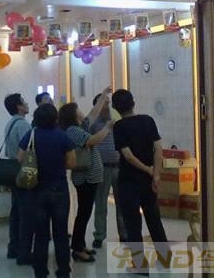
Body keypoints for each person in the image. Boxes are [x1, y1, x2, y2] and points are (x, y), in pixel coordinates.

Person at [111, 89, 170, 276]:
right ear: (133, 103)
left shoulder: (119, 127)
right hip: (148, 181)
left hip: (128, 182)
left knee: (133, 224)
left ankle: (140, 264)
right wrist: (155, 174)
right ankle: (165, 257)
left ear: (115, 108)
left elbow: (128, 156)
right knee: (154, 219)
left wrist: (147, 170)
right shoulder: (147, 120)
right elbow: (158, 148)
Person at [18, 104, 76, 278]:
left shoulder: (31, 135)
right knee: (61, 233)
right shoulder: (62, 136)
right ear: (55, 118)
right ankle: (63, 270)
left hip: (36, 190)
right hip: (59, 189)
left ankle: (40, 271)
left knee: (41, 234)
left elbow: (20, 158)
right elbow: (72, 163)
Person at [58, 86, 112, 263]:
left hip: (89, 177)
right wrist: (108, 128)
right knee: (83, 213)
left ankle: (80, 244)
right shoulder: (72, 131)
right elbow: (92, 140)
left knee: (85, 212)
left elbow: (93, 114)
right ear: (73, 115)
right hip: (85, 178)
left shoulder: (80, 126)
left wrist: (103, 95)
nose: (82, 111)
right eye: (78, 109)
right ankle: (77, 248)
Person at [90, 93, 127, 249]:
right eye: (104, 103)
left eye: (108, 102)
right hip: (102, 168)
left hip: (118, 166)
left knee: (122, 203)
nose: (108, 106)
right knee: (100, 203)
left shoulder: (116, 119)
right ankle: (99, 235)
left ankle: (124, 234)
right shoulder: (93, 123)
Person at [3, 93, 33, 265]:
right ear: (18, 106)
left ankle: (13, 247)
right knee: (25, 212)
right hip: (23, 172)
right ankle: (24, 251)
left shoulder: (10, 123)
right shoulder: (22, 125)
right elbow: (29, 150)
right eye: (23, 102)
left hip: (12, 172)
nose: (27, 103)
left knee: (16, 212)